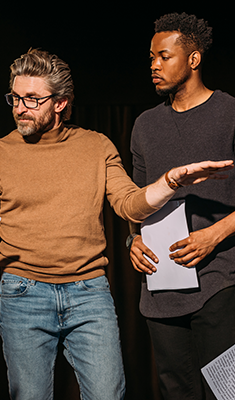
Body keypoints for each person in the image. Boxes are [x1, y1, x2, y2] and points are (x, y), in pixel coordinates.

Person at [0, 48, 232, 400]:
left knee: (108, 394)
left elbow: (130, 205)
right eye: (16, 97)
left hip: (88, 293)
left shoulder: (96, 146)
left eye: (32, 99)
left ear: (61, 103)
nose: (20, 108)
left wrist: (170, 181)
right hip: (23, 294)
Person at [129, 12, 235, 400]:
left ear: (193, 59)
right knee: (176, 391)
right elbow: (136, 200)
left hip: (219, 282)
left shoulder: (230, 113)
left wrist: (215, 234)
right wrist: (133, 241)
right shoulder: (144, 125)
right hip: (162, 287)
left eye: (164, 56)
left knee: (225, 390)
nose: (154, 65)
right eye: (151, 57)